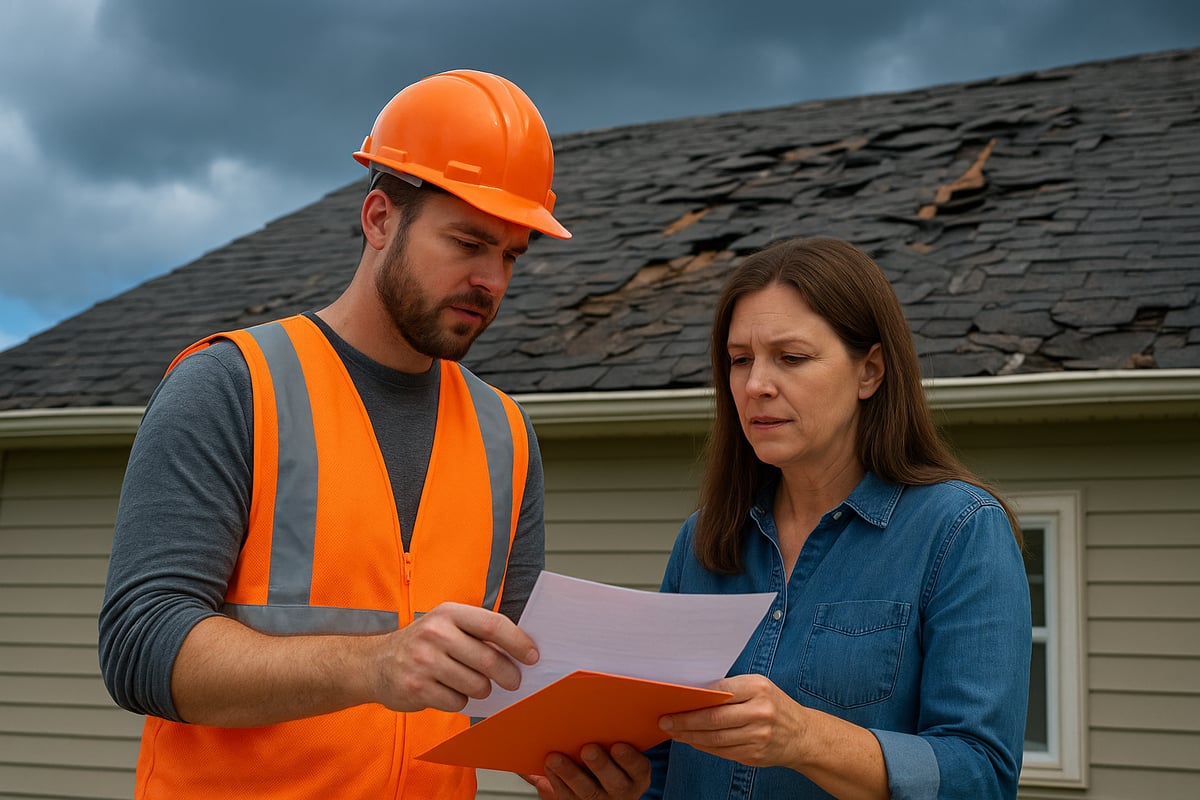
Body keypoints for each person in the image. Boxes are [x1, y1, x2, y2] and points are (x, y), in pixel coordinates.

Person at [99, 69, 648, 800]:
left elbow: (506, 685)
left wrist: (572, 762)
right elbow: (141, 645)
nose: (492, 280)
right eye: (468, 242)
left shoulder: (505, 436)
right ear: (380, 218)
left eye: (511, 255)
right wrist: (374, 665)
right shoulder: (233, 384)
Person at [642, 237, 1032, 799]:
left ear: (869, 371)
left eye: (792, 358)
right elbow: (661, 766)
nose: (756, 386)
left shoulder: (960, 530)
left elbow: (981, 776)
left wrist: (805, 737)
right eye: (740, 360)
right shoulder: (703, 540)